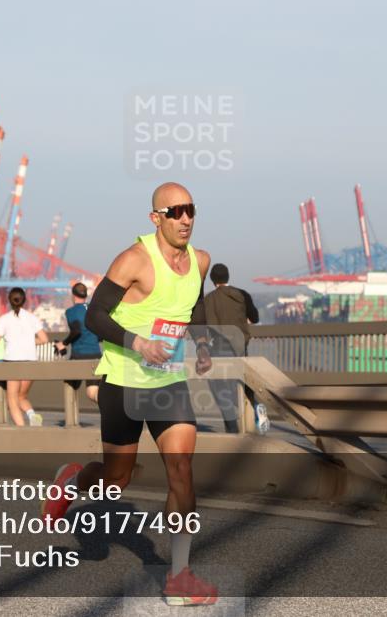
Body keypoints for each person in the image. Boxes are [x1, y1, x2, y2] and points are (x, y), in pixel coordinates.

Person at [41, 182, 218, 607]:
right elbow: (94, 314)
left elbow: (193, 303)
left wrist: (205, 344)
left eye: (190, 209)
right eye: (174, 211)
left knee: (182, 469)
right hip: (122, 381)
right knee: (115, 479)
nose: (185, 219)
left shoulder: (202, 261)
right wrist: (139, 344)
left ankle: (179, 577)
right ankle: (73, 480)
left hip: (167, 383)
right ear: (156, 218)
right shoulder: (134, 260)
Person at [203, 263, 269, 434]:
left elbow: (204, 326)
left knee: (220, 387)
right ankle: (256, 408)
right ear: (228, 276)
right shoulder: (242, 294)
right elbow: (254, 318)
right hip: (241, 348)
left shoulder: (209, 299)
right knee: (243, 382)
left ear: (212, 280)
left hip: (219, 349)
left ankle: (232, 428)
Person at [0, 288, 48, 427]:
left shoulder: (4, 319)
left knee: (12, 398)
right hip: (30, 362)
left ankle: (21, 429)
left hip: (12, 362)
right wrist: (28, 341)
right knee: (22, 396)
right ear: (24, 300)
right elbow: (44, 339)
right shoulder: (32, 317)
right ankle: (32, 416)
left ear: (9, 301)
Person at [55, 282, 102, 403]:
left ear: (73, 295)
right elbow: (100, 333)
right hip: (96, 355)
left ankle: (71, 421)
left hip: (79, 355)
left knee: (70, 386)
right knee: (92, 392)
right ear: (86, 295)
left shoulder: (71, 312)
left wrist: (63, 344)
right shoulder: (93, 309)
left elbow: (76, 331)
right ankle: (111, 409)